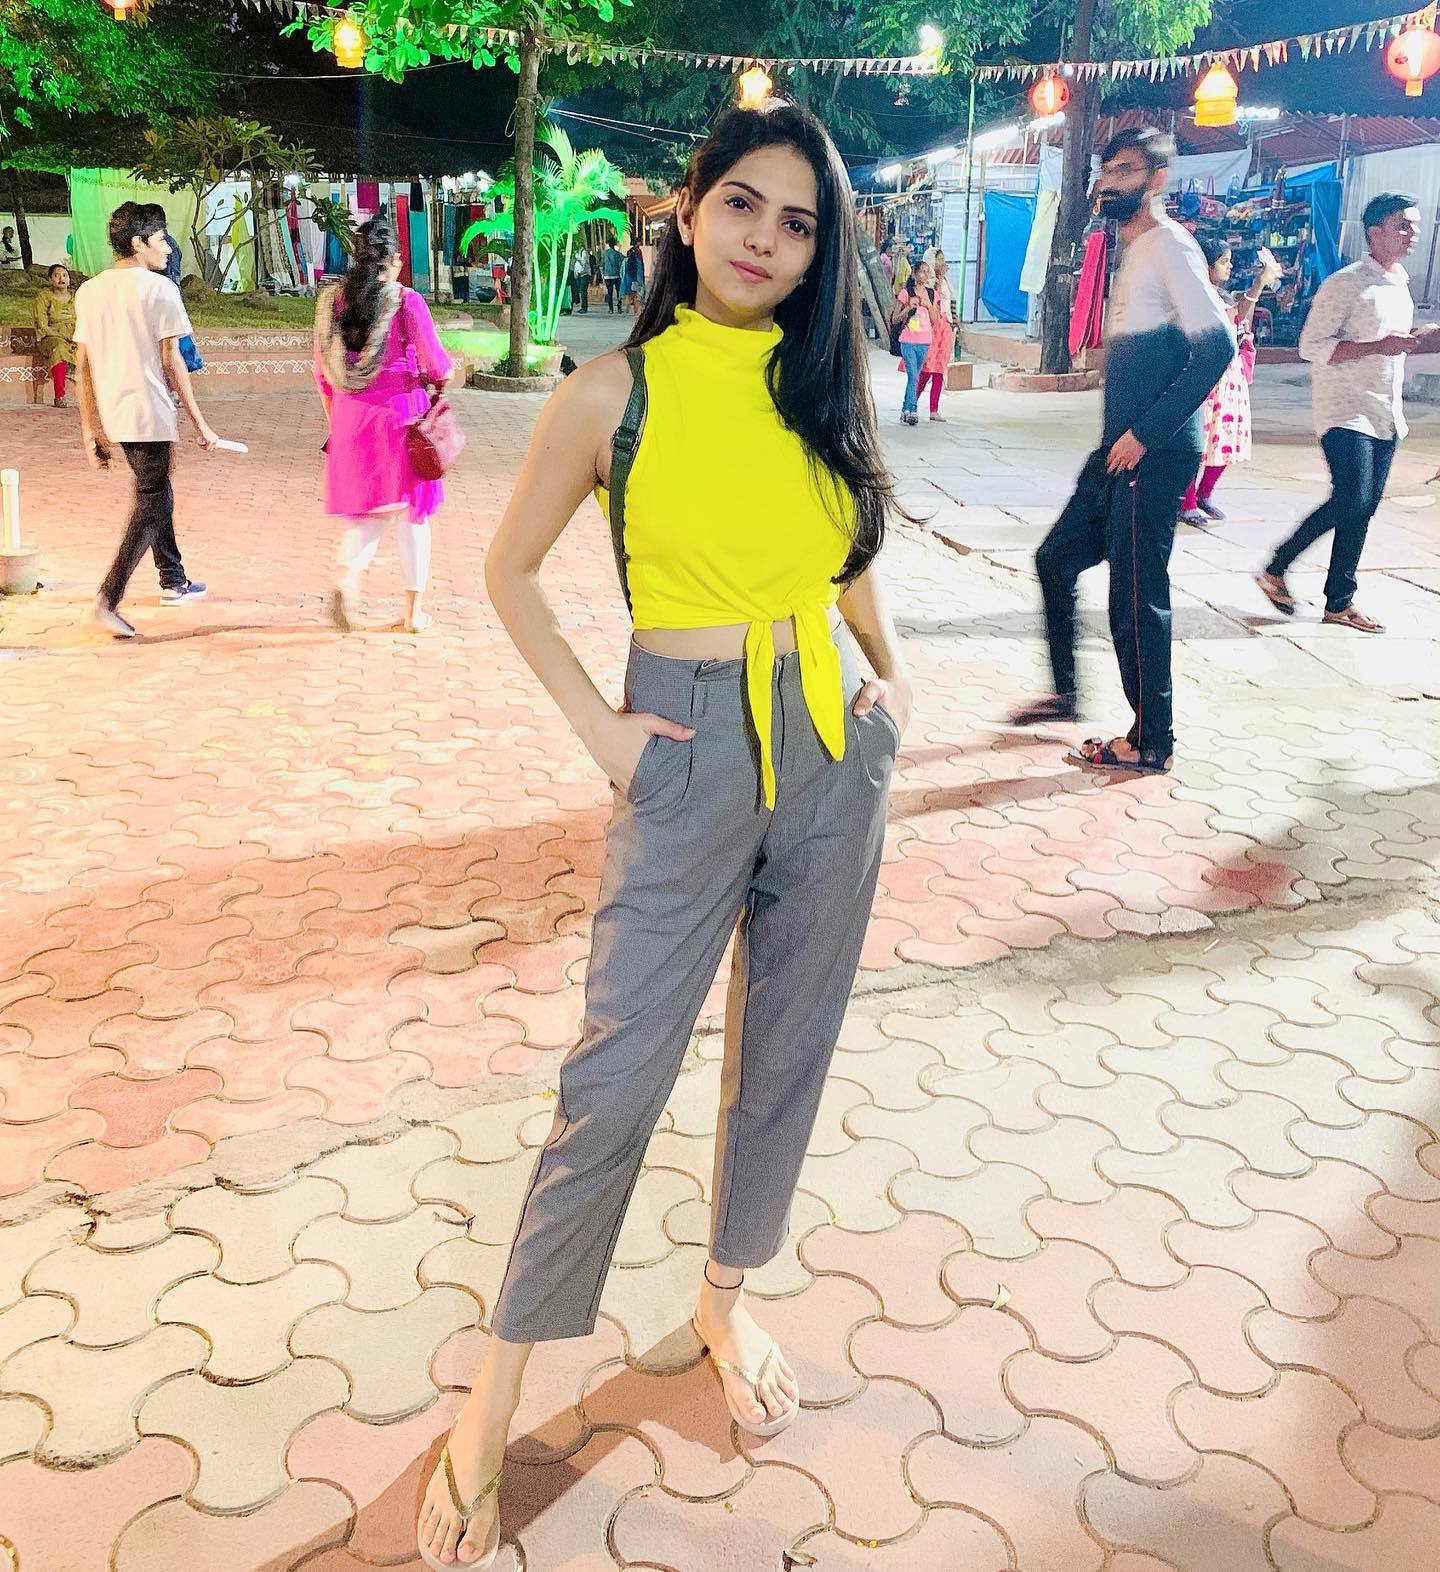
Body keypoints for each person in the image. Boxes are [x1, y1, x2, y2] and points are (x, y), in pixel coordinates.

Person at [415, 99, 910, 1571]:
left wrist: (890, 682)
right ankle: (496, 1393)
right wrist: (602, 732)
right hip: (684, 752)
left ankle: (723, 1299)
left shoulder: (825, 385)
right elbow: (510, 573)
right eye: (742, 204)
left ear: (820, 252)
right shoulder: (611, 393)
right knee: (615, 1078)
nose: (765, 240)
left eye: (798, 224)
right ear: (687, 212)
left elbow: (848, 558)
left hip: (831, 747)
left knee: (786, 1051)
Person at [1008, 127, 1233, 775]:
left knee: (1135, 598)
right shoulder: (1131, 251)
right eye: (1106, 171)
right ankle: (1065, 693)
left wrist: (1144, 434)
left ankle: (1151, 741)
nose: (1109, 183)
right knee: (1055, 560)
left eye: (1126, 170)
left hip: (1151, 454)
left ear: (1157, 180)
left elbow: (1216, 347)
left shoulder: (1169, 246)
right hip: (1117, 452)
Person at [1257, 193, 1434, 633]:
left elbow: (1385, 342)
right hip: (1344, 410)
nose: (1412, 234)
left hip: (1385, 411)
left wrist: (1414, 338)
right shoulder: (1345, 283)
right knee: (1351, 500)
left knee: (1361, 508)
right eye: (1402, 225)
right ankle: (1278, 567)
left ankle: (1338, 602)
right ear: (1374, 231)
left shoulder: (1399, 284)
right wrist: (1380, 346)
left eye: (1414, 226)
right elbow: (1311, 346)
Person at [76, 203, 219, 637]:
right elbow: (173, 360)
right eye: (160, 239)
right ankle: (108, 598)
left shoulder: (90, 291)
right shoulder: (160, 290)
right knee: (151, 500)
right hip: (149, 410)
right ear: (138, 243)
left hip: (116, 412)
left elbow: (82, 366)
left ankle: (173, 578)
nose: (168, 248)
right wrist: (201, 424)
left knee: (156, 492)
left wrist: (91, 428)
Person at [314, 217, 454, 635]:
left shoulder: (332, 303)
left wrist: (336, 424)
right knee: (413, 515)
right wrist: (442, 377)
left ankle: (346, 580)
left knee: (370, 513)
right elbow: (436, 364)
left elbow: (323, 374)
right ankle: (413, 612)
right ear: (393, 260)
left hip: (350, 417)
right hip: (400, 417)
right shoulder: (406, 301)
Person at [1178, 239, 1281, 525]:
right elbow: (1233, 318)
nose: (1230, 266)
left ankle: (1204, 494)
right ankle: (1187, 501)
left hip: (1229, 376)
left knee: (1226, 437)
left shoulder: (1219, 294)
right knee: (1199, 441)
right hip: (1205, 375)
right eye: (1224, 261)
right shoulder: (1196, 296)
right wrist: (1259, 284)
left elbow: (1240, 323)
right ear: (1206, 265)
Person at [139, 204, 204, 375]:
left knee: (171, 342)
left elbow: (168, 274)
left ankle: (185, 367)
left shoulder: (161, 244)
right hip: (168, 294)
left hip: (164, 295)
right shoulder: (170, 242)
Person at [891, 258, 941, 426]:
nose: (925, 275)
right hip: (908, 340)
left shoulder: (931, 294)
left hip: (925, 341)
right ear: (914, 274)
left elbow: (936, 321)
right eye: (922, 272)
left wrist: (928, 305)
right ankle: (913, 409)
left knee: (915, 376)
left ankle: (905, 409)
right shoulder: (906, 293)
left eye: (927, 272)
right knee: (913, 375)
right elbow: (895, 319)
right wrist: (908, 308)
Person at [916, 251, 956, 423]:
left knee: (939, 370)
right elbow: (934, 301)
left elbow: (950, 302)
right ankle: (911, 402)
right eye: (938, 259)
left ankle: (934, 409)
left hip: (945, 329)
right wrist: (938, 279)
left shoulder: (946, 281)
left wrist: (954, 322)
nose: (941, 262)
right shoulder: (929, 282)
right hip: (932, 328)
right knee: (926, 370)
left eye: (942, 259)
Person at [33, 263, 77, 408]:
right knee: (59, 348)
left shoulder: (76, 297)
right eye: (57, 275)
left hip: (75, 336)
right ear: (50, 279)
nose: (61, 279)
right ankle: (59, 396)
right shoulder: (43, 297)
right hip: (51, 338)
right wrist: (63, 336)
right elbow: (42, 325)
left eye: (65, 275)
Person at [620, 241, 645, 313]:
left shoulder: (625, 261)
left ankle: (628, 309)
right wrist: (641, 281)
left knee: (628, 295)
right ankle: (635, 310)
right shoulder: (638, 261)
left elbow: (621, 272)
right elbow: (640, 272)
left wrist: (623, 280)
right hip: (636, 280)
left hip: (628, 281)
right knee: (636, 294)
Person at [600, 239, 624, 311]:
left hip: (607, 276)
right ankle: (619, 308)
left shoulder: (604, 253)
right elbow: (620, 265)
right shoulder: (617, 254)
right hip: (616, 275)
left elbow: (602, 264)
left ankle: (611, 309)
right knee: (618, 292)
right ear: (614, 245)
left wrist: (603, 273)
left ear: (609, 245)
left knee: (609, 293)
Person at [571, 241, 591, 313]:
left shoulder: (584, 252)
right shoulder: (578, 253)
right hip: (579, 274)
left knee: (583, 291)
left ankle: (584, 307)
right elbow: (575, 264)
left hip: (584, 274)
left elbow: (583, 263)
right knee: (580, 291)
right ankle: (582, 306)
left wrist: (577, 257)